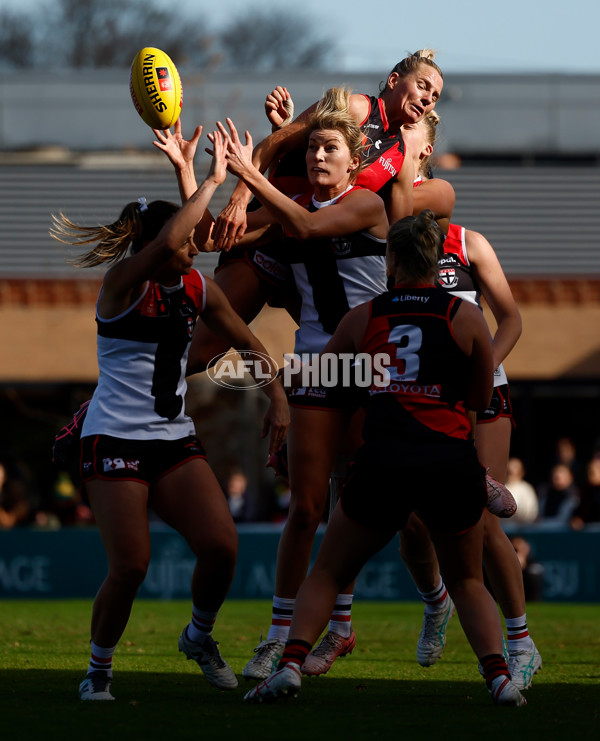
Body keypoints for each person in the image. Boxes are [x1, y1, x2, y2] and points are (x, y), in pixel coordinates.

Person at [243, 210, 526, 707]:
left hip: (385, 461)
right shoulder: (465, 317)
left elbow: (327, 386)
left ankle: (289, 666)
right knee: (465, 579)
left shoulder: (366, 316)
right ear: (438, 259)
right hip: (449, 461)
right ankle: (500, 679)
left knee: (328, 571)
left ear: (389, 260)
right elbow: (481, 399)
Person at [49, 127, 289, 701]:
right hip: (114, 440)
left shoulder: (195, 287)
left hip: (172, 440)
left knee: (222, 547)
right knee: (131, 566)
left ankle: (198, 637)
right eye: (184, 243)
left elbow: (248, 343)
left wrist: (277, 395)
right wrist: (209, 181)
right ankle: (98, 672)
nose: (195, 248)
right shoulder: (121, 284)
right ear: (159, 245)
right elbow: (164, 244)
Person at [198, 91, 390, 680]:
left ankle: (342, 627)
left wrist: (251, 170)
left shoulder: (366, 206)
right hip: (313, 366)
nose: (317, 156)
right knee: (305, 508)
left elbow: (305, 224)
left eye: (329, 147)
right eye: (310, 148)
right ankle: (279, 635)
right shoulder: (291, 204)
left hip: (366, 367)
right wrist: (200, 176)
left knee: (355, 506)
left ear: (354, 159)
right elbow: (215, 239)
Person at [385, 112, 542, 693]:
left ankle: (521, 641)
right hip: (417, 398)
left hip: (478, 395)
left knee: (477, 517)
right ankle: (435, 602)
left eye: (415, 158)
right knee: (410, 524)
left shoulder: (468, 242)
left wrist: (480, 371)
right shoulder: (393, 245)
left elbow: (514, 318)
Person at [184, 50, 444, 371]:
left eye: (435, 96)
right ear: (393, 81)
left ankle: (290, 397)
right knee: (200, 355)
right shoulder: (356, 107)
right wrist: (237, 199)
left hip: (319, 256)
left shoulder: (402, 153)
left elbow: (401, 231)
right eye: (423, 86)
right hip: (278, 227)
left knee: (338, 358)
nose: (428, 98)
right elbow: (275, 143)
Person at [505, 457, 539, 525]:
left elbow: (531, 513)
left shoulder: (526, 488)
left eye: (515, 468)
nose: (511, 470)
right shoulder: (502, 487)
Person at [571, 456, 600, 529]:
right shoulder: (586, 491)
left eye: (593, 472)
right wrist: (578, 519)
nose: (590, 474)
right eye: (589, 471)